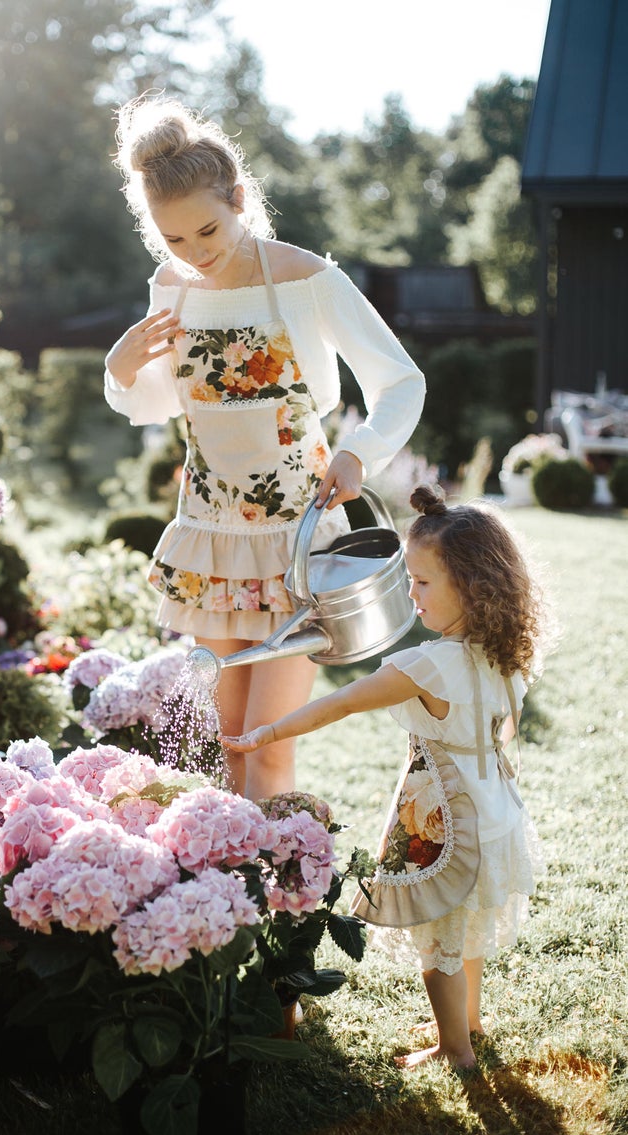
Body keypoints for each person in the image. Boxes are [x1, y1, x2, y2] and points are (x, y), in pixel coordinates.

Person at [104, 94, 425, 800]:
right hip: (210, 539)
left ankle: (283, 896)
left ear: (239, 197)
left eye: (208, 230)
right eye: (174, 241)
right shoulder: (170, 287)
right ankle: (235, 902)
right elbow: (162, 401)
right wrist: (121, 368)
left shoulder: (308, 279)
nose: (196, 253)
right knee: (222, 749)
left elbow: (402, 381)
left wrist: (358, 453)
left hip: (296, 543)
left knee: (268, 748)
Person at [222, 485, 549, 1069]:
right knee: (464, 929)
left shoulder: (427, 665)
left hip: (447, 827)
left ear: (471, 588)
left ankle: (456, 1051)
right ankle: (468, 1021)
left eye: (422, 583)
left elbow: (342, 702)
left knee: (438, 943)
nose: (410, 593)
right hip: (496, 812)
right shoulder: (502, 651)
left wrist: (265, 734)